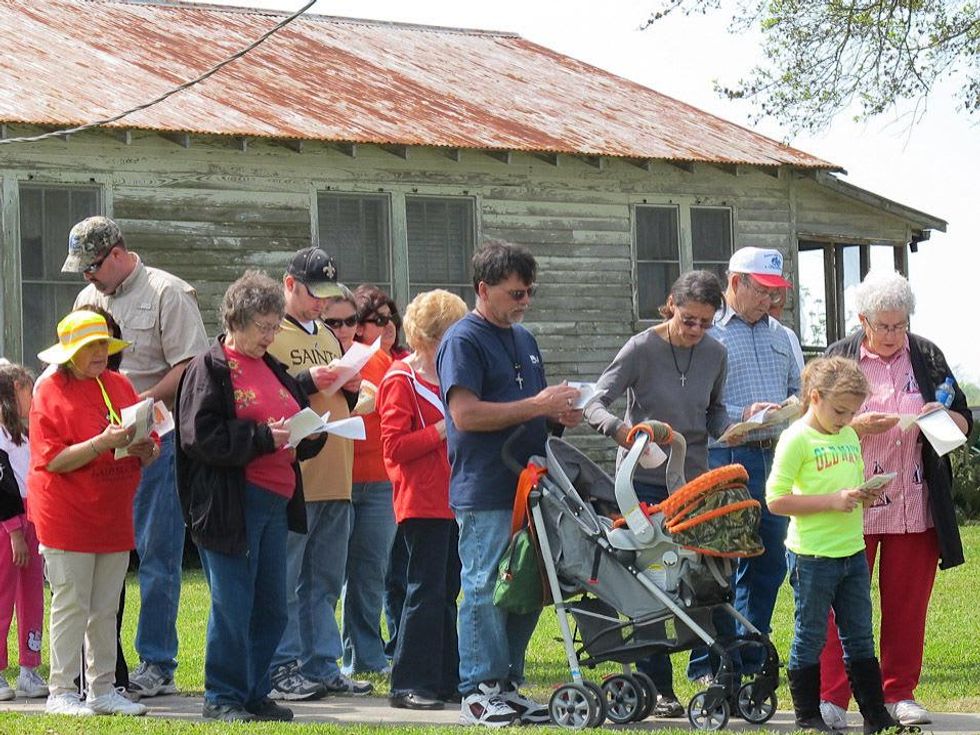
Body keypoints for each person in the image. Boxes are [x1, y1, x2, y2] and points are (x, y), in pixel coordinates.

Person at [437, 240, 582, 726]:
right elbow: (466, 415)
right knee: (483, 586)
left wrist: (558, 416)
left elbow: (528, 408)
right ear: (483, 289)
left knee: (527, 587)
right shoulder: (463, 339)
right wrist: (538, 406)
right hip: (486, 487)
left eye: (529, 292)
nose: (524, 302)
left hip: (532, 484)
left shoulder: (524, 339)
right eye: (515, 293)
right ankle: (477, 689)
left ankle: (505, 684)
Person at [818, 270, 972, 729]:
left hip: (915, 503)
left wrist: (942, 417)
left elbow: (963, 420)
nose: (892, 335)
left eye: (900, 325)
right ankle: (832, 698)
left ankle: (898, 694)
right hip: (851, 503)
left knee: (907, 607)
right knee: (839, 605)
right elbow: (810, 426)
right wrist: (852, 428)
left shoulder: (925, 354)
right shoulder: (839, 358)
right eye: (883, 326)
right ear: (862, 320)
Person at [64, 216, 209, 697]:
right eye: (83, 269)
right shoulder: (89, 300)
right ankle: (100, 669)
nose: (87, 277)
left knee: (155, 553)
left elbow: (189, 367)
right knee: (100, 556)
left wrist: (136, 407)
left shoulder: (168, 292)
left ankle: (157, 663)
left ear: (118, 253)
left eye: (92, 267)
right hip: (99, 441)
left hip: (153, 440)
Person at [174, 271, 327, 723]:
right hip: (230, 506)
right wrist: (263, 436)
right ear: (236, 320)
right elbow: (199, 437)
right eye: (263, 326)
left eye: (275, 326)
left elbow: (296, 424)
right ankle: (222, 696)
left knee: (272, 608)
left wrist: (312, 434)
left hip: (275, 505)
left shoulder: (274, 369)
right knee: (233, 604)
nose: (270, 335)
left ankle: (254, 691)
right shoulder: (211, 367)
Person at [584, 270, 729, 717]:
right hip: (644, 482)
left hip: (694, 482)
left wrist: (740, 426)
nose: (695, 331)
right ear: (671, 305)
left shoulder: (716, 352)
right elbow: (594, 400)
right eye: (689, 320)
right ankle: (657, 687)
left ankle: (720, 675)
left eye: (705, 323)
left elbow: (716, 411)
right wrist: (618, 429)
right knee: (652, 586)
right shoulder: (641, 348)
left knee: (706, 580)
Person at [767, 357, 907, 734]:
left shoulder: (847, 435)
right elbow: (776, 499)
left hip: (851, 552)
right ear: (815, 397)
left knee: (860, 634)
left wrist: (864, 496)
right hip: (812, 555)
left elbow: (845, 487)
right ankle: (808, 716)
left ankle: (874, 715)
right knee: (810, 635)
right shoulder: (796, 438)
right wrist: (831, 501)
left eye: (852, 412)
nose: (847, 419)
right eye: (840, 410)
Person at [29, 310, 157, 717]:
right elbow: (53, 461)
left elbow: (148, 444)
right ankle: (61, 691)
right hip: (67, 516)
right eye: (91, 346)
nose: (101, 352)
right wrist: (103, 442)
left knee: (106, 607)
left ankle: (103, 689)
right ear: (70, 354)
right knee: (71, 605)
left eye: (104, 344)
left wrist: (146, 449)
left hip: (113, 514)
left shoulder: (119, 384)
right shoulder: (49, 390)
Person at [688, 246, 801, 683]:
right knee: (718, 563)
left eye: (776, 291)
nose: (770, 300)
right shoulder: (708, 333)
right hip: (722, 456)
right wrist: (743, 413)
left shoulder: (784, 335)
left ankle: (750, 653)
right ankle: (709, 663)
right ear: (736, 283)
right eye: (762, 290)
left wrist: (787, 409)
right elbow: (699, 403)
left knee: (769, 562)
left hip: (773, 458)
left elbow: (799, 389)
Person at [266, 248, 373, 700]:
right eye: (315, 294)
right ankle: (282, 664)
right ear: (289, 285)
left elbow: (342, 394)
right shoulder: (271, 334)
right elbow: (267, 392)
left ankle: (323, 663)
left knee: (326, 578)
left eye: (328, 296)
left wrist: (349, 389)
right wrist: (310, 379)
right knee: (288, 578)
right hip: (296, 475)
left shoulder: (329, 335)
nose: (322, 305)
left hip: (337, 472)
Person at [379, 289, 468, 710]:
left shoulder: (452, 378)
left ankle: (445, 677)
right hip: (421, 501)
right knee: (424, 592)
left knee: (448, 592)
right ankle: (409, 682)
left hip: (455, 499)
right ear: (431, 338)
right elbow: (393, 447)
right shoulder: (401, 379)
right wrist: (441, 431)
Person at [341, 285, 400, 676]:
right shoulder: (338, 360)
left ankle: (367, 656)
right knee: (330, 576)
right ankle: (335, 655)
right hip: (339, 481)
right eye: (375, 320)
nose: (386, 326)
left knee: (369, 573)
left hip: (380, 481)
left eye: (389, 318)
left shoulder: (388, 364)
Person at [0, 364, 47, 701]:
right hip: (7, 526)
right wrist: (15, 531)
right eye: (29, 391)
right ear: (15, 389)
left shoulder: (28, 435)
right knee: (2, 596)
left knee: (33, 595)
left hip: (34, 523)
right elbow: (3, 487)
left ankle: (29, 668)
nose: (34, 398)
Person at [769, 287, 806, 373]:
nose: (777, 314)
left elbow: (800, 383)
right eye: (771, 307)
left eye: (781, 306)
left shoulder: (789, 336)